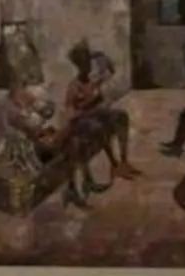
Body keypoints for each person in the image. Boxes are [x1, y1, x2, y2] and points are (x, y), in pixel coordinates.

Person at [58, 40, 136, 200]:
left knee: (121, 117)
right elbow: (71, 112)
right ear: (78, 65)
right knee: (97, 127)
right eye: (83, 63)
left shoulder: (93, 81)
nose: (87, 66)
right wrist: (86, 106)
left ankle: (123, 162)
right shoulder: (74, 85)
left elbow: (109, 72)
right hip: (82, 120)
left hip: (95, 114)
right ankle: (113, 165)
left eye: (88, 61)